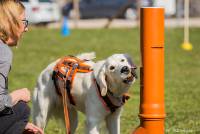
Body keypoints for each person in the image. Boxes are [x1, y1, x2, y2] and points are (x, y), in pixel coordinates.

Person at [0, 0, 43, 134]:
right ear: (11, 22)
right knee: (22, 109)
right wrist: (18, 95)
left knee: (16, 114)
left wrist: (17, 124)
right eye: (24, 22)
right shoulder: (2, 52)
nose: (26, 28)